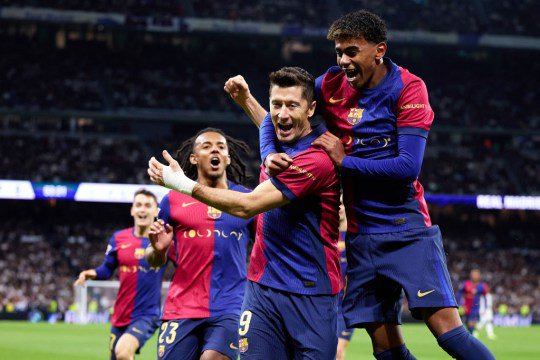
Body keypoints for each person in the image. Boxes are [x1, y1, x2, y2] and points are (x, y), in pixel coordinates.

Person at [223, 10, 494, 360]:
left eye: (352, 51)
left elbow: (407, 168)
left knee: (449, 335)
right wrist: (268, 151)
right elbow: (284, 111)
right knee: (385, 348)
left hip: (405, 228)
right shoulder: (330, 84)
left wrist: (343, 159)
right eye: (339, 52)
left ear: (378, 50)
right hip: (361, 237)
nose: (343, 61)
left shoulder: (409, 88)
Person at [148, 67, 342, 359]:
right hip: (261, 290)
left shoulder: (315, 159)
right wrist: (246, 99)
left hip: (310, 292)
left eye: (292, 105)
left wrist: (180, 183)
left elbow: (246, 206)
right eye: (276, 103)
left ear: (311, 108)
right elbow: (270, 123)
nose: (282, 113)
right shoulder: (278, 139)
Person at [145, 128, 256, 360]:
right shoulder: (173, 200)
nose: (215, 149)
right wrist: (158, 250)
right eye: (206, 146)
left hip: (230, 307)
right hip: (181, 307)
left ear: (227, 158)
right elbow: (154, 261)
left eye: (221, 147)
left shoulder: (246, 200)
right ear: (194, 158)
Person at [74, 189, 166, 360]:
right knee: (118, 357)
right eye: (138, 205)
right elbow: (107, 269)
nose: (142, 210)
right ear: (132, 210)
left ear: (156, 211)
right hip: (120, 315)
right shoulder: (119, 238)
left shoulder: (163, 241)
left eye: (147, 205)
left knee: (123, 352)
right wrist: (91, 273)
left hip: (146, 315)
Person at [336, 197, 354, 360]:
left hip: (345, 309)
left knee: (338, 352)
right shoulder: (327, 235)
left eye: (343, 202)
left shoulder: (355, 237)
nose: (339, 206)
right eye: (337, 202)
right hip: (325, 305)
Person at [458, 269, 492, 338]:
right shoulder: (466, 283)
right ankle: (472, 334)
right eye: (473, 274)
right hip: (466, 308)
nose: (474, 276)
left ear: (479, 276)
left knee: (471, 324)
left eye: (476, 275)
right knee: (467, 324)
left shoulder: (482, 286)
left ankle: (472, 336)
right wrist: (460, 304)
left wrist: (485, 307)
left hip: (476, 308)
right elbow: (459, 293)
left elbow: (485, 297)